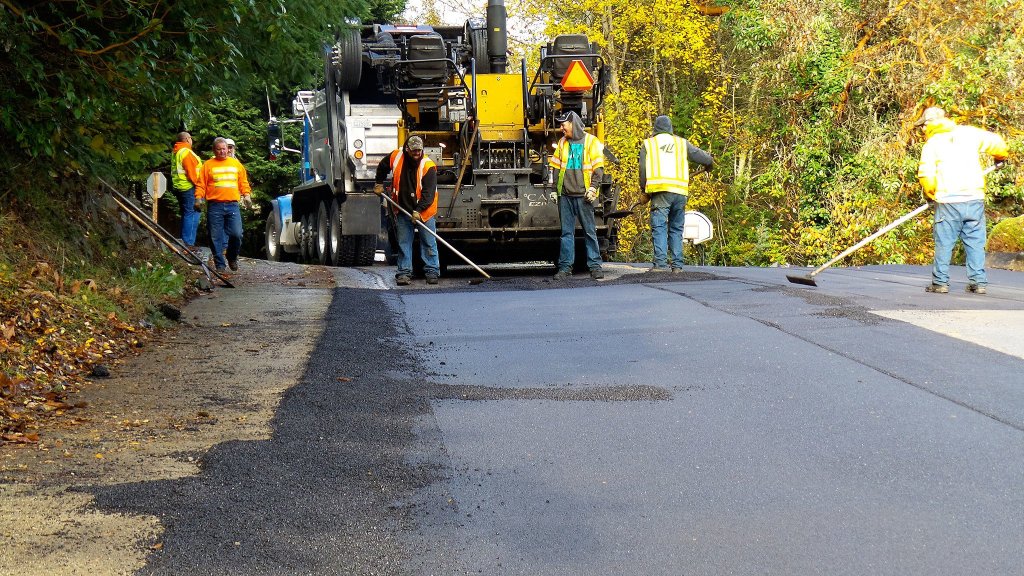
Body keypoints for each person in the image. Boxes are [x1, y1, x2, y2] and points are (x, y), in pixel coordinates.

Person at [916, 106, 1009, 294]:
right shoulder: (969, 133)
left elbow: (926, 175)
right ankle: (978, 282)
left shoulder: (933, 144)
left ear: (929, 123)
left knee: (944, 242)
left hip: (948, 201)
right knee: (975, 242)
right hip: (974, 198)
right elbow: (998, 144)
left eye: (923, 126)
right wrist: (1000, 157)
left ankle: (940, 283)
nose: (922, 130)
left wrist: (931, 194)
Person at [639, 115, 714, 273]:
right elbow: (701, 156)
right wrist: (709, 162)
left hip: (660, 192)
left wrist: (643, 190)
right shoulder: (681, 143)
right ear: (670, 128)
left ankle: (660, 264)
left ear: (655, 129)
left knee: (659, 227)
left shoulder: (649, 144)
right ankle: (677, 266)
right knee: (676, 228)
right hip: (679, 192)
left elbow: (643, 170)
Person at [373, 135, 441, 286]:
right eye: (414, 150)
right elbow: (383, 166)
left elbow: (428, 194)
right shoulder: (396, 156)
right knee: (404, 243)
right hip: (403, 208)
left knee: (428, 242)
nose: (417, 153)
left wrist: (418, 210)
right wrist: (379, 182)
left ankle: (432, 271)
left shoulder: (428, 166)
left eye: (419, 150)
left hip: (424, 211)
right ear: (407, 149)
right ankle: (404, 273)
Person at [549, 110, 606, 280]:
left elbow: (598, 169)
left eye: (563, 125)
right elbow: (556, 168)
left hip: (583, 195)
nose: (561, 128)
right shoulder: (562, 142)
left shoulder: (591, 141)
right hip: (565, 195)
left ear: (572, 124)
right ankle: (565, 268)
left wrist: (593, 188)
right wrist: (554, 189)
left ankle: (595, 267)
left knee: (589, 231)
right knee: (566, 233)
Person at [195, 137, 253, 273]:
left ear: (228, 149)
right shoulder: (208, 165)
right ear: (214, 150)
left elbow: (243, 182)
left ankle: (232, 257)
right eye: (219, 149)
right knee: (215, 236)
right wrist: (198, 198)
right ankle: (220, 265)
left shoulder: (236, 164)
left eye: (224, 149)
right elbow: (201, 184)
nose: (222, 152)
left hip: (232, 205)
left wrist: (247, 195)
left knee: (237, 234)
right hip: (215, 205)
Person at [170, 132, 203, 249]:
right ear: (188, 139)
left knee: (187, 213)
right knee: (192, 213)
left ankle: (187, 243)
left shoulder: (176, 151)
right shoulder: (186, 152)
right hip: (189, 187)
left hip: (180, 187)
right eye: (191, 138)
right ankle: (188, 244)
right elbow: (192, 174)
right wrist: (200, 186)